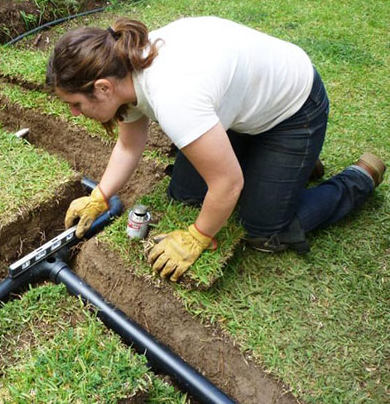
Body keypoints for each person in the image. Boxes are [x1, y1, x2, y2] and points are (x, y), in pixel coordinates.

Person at [46, 16, 386, 282]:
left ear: (103, 88)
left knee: (264, 230)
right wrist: (101, 196)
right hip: (243, 108)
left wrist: (198, 236)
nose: (75, 113)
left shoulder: (175, 97)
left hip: (294, 110)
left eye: (75, 103)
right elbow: (129, 143)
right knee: (185, 193)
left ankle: (357, 179)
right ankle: (288, 166)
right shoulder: (124, 64)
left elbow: (228, 184)